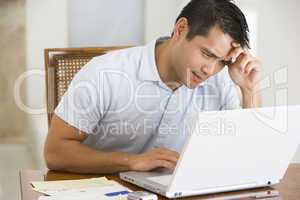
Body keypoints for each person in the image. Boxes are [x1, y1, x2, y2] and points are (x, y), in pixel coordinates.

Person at [44, 0, 262, 174]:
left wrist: (249, 89)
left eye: (222, 61)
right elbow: (55, 152)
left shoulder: (220, 81)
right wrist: (133, 162)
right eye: (207, 54)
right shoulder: (105, 73)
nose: (210, 70)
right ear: (180, 29)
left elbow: (247, 157)